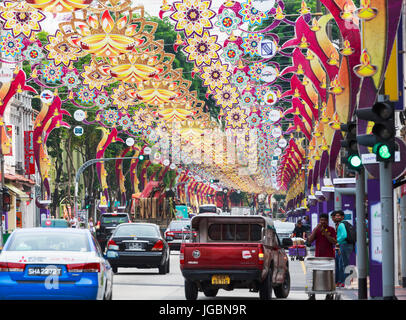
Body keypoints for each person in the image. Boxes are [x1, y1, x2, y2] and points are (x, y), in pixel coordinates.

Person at [307, 213, 337, 300]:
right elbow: (310, 240)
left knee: (329, 276)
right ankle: (313, 294)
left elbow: (334, 242)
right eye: (321, 220)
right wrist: (316, 229)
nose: (322, 222)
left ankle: (329, 294)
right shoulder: (317, 229)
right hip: (318, 256)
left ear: (327, 221)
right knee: (315, 275)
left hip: (329, 257)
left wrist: (326, 233)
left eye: (324, 220)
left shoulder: (331, 229)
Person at [332, 210, 354, 288]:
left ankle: (345, 282)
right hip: (345, 245)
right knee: (342, 264)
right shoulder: (343, 224)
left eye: (339, 216)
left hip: (344, 245)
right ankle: (342, 281)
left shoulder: (341, 224)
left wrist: (337, 241)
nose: (337, 217)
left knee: (344, 264)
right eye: (336, 216)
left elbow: (344, 235)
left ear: (342, 217)